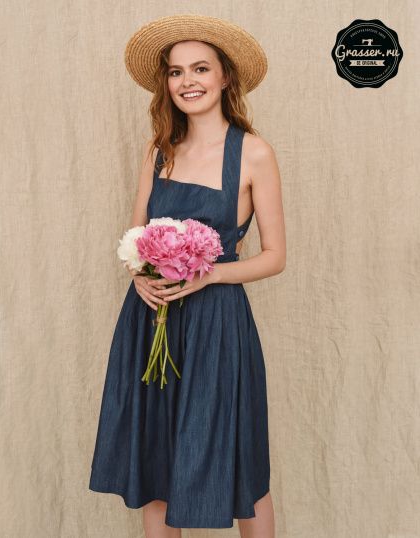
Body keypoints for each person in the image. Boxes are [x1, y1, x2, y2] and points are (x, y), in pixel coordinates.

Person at [89, 14, 286, 538]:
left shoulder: (254, 153)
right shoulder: (159, 151)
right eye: (176, 72)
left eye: (200, 68)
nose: (187, 81)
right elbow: (135, 240)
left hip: (218, 326)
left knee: (239, 458)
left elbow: (275, 257)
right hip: (150, 320)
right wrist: (138, 279)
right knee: (155, 459)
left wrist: (209, 276)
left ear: (225, 77)